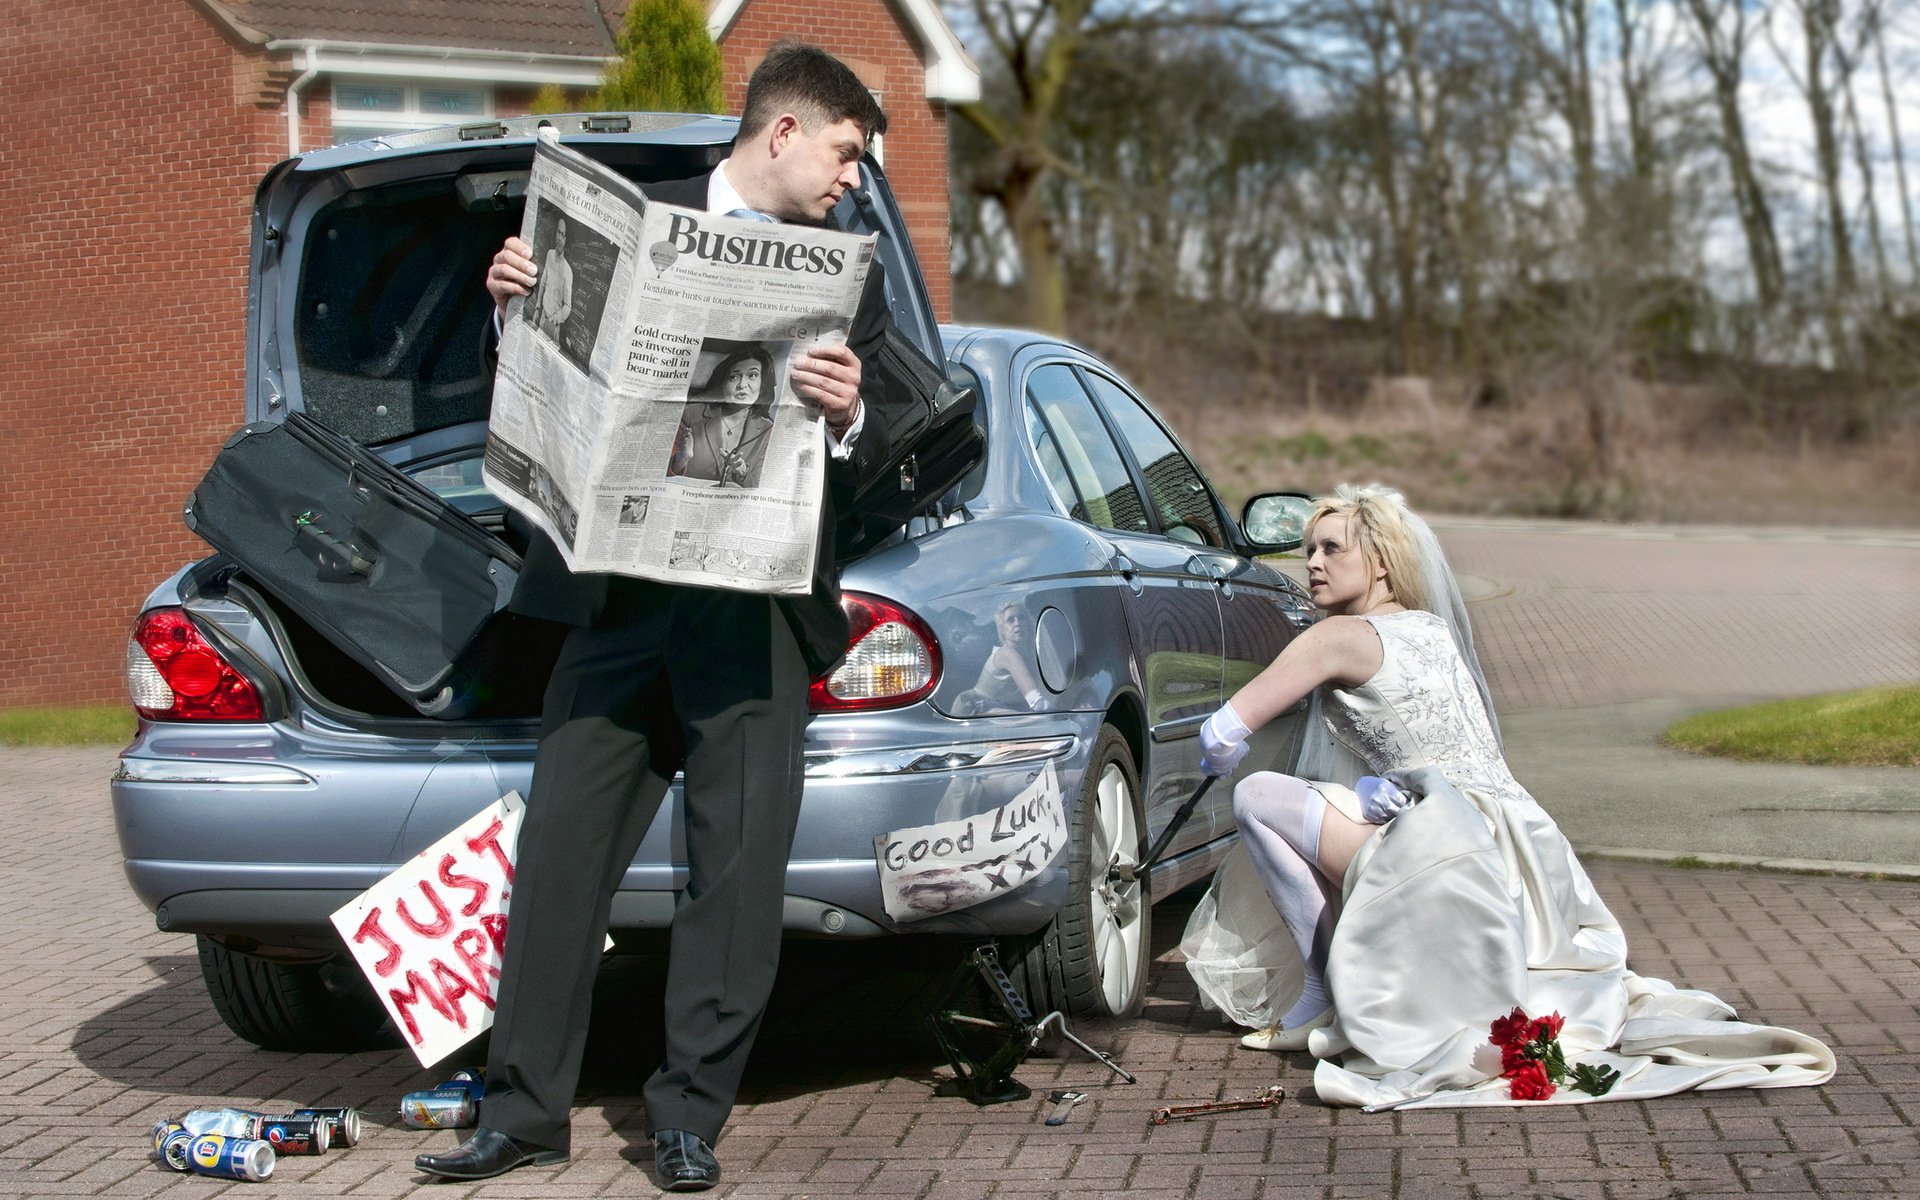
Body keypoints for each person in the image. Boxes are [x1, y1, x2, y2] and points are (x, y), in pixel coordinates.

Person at [414, 43, 891, 1189]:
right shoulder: (632, 224)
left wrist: (849, 412)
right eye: (844, 151)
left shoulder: (850, 272)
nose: (852, 180)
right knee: (561, 861)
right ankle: (522, 1116)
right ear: (783, 131)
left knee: (735, 883)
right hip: (614, 603)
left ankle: (688, 1120)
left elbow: (881, 461)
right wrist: (512, 311)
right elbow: (535, 395)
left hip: (758, 617)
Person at [1189, 484, 1834, 1108]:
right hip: (1521, 847)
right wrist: (1363, 789)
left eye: (1332, 548)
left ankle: (1320, 988)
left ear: (1381, 560)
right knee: (1322, 797)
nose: (1313, 563)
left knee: (1258, 797)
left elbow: (1223, 730)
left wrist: (1223, 753)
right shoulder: (1432, 632)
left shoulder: (1333, 638)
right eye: (1308, 550)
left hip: (1445, 851)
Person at [668, 345, 777, 487]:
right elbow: (661, 474)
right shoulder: (691, 413)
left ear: (763, 384)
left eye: (753, 375)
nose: (742, 385)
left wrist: (743, 473)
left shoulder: (766, 429)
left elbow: (759, 488)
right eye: (734, 377)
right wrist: (682, 458)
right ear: (722, 383)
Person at [533, 216, 574, 340]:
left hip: (553, 324)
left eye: (563, 234)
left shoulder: (568, 271)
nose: (559, 237)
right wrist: (537, 308)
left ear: (566, 240)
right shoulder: (549, 254)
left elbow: (567, 306)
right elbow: (543, 282)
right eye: (558, 232)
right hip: (542, 316)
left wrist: (556, 319)